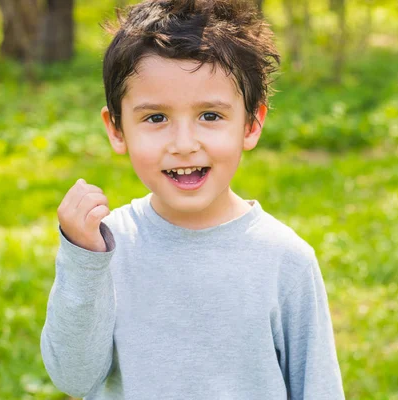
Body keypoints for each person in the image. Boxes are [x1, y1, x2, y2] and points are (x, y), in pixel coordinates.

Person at [40, 0, 345, 399]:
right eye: (156, 118)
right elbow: (72, 377)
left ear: (251, 125)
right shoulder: (106, 247)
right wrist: (82, 260)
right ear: (117, 129)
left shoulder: (285, 259)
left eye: (210, 116)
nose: (183, 145)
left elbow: (318, 388)